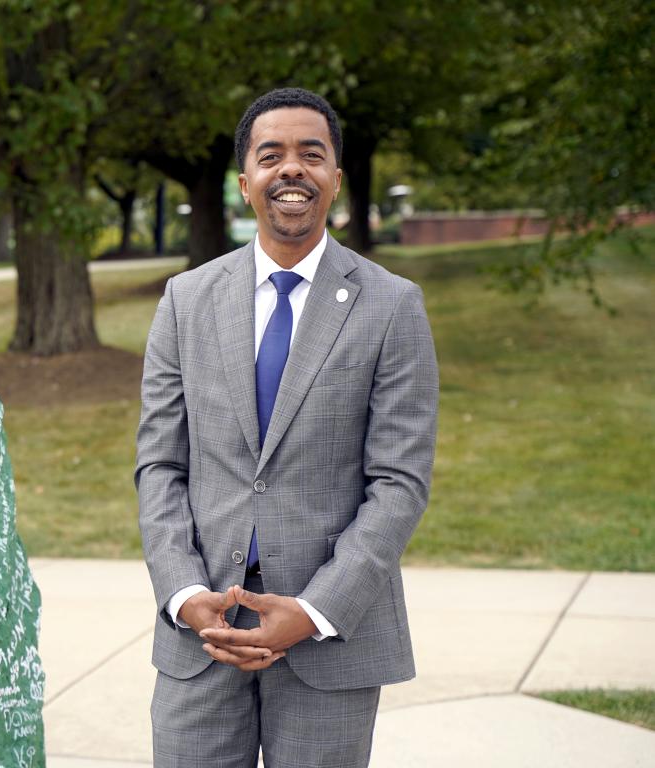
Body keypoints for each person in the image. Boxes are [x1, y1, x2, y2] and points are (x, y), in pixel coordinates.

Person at [135, 87, 439, 768]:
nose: (291, 170)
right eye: (271, 156)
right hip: (201, 640)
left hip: (330, 640)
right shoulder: (186, 300)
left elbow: (399, 483)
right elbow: (160, 465)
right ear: (246, 184)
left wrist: (313, 610)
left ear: (335, 178)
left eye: (312, 154)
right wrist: (185, 596)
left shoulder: (392, 306)